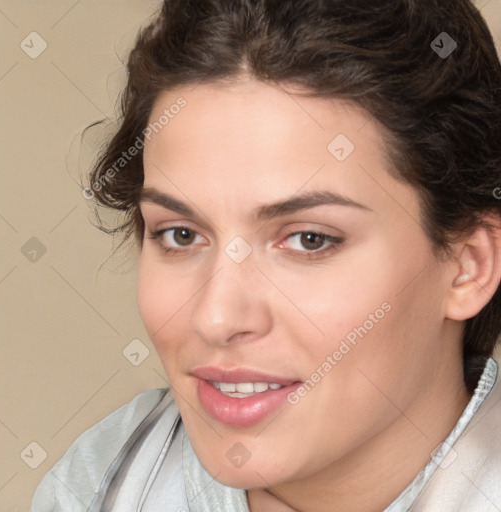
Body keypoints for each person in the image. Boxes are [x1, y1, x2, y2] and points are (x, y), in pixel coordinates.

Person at [32, 0, 501, 510]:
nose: (215, 318)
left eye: (308, 239)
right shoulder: (104, 481)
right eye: (181, 235)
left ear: (469, 265)